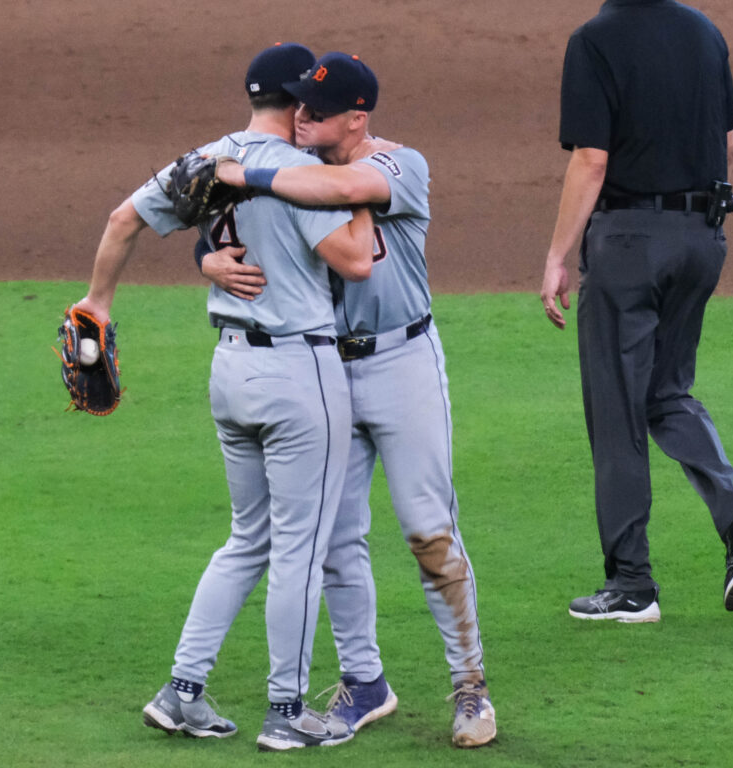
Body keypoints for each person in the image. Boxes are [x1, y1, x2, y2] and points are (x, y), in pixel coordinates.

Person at [73, 42, 376, 751]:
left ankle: (182, 691)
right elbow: (357, 261)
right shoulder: (301, 170)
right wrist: (352, 181)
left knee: (250, 539)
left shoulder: (204, 160)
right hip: (300, 375)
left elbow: (123, 221)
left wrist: (98, 302)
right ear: (300, 105)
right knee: (299, 548)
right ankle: (287, 710)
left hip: (231, 373)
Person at [206, 51, 496, 748]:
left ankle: (470, 686)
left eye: (316, 110)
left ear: (357, 118)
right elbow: (235, 228)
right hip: (321, 370)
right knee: (334, 539)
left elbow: (349, 190)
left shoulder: (401, 166)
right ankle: (364, 680)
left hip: (401, 361)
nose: (299, 116)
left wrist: (246, 173)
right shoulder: (297, 169)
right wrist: (206, 260)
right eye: (298, 105)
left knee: (429, 530)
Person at [540, 0, 733, 623]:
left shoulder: (595, 39)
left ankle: (630, 584)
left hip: (629, 244)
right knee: (667, 391)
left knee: (616, 408)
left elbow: (591, 160)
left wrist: (559, 253)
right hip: (703, 237)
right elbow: (727, 141)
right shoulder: (704, 31)